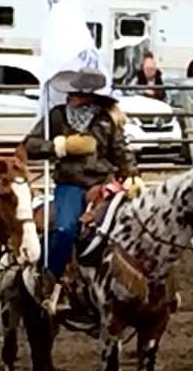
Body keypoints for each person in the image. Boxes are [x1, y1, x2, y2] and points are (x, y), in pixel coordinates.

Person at [23, 82, 133, 281]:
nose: (70, 98)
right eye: (71, 94)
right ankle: (49, 276)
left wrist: (132, 176)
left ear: (89, 96)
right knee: (65, 229)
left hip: (104, 184)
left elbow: (121, 152)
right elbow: (29, 145)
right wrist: (60, 147)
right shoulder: (58, 116)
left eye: (76, 94)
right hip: (70, 184)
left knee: (132, 227)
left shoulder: (108, 118)